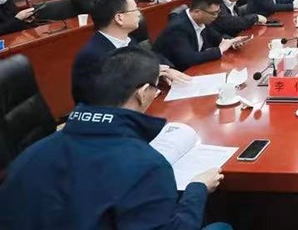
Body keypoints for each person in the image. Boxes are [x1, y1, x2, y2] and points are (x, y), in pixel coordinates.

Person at [0, 47, 230, 230]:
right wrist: (197, 189)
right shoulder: (146, 165)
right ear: (142, 93)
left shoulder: (27, 158)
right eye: (155, 89)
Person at [70, 0, 188, 105]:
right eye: (135, 9)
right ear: (119, 18)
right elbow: (98, 97)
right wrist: (149, 75)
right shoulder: (93, 55)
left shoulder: (129, 40)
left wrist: (166, 70)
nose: (139, 13)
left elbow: (151, 57)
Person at [153, 0, 246, 72]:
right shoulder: (178, 28)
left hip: (196, 69)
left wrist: (231, 42)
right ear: (197, 12)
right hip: (175, 73)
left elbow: (216, 38)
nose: (216, 16)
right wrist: (220, 50)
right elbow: (188, 59)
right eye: (214, 13)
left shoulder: (202, 20)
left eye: (218, 12)